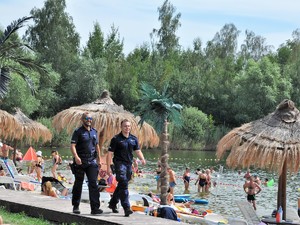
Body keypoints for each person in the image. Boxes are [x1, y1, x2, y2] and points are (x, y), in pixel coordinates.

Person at [107, 119, 146, 217]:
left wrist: (142, 159)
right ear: (121, 127)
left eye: (128, 126)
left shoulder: (133, 139)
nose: (127, 128)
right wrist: (108, 167)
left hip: (129, 164)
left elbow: (137, 150)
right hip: (119, 164)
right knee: (124, 183)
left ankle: (112, 203)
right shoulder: (116, 139)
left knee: (122, 184)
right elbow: (109, 154)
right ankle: (126, 208)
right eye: (125, 126)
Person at [70, 112, 103, 215]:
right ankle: (76, 206)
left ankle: (95, 208)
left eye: (90, 118)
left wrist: (99, 158)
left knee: (93, 183)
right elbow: (73, 145)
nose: (89, 120)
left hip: (92, 161)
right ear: (82, 120)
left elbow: (97, 145)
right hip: (80, 161)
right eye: (87, 118)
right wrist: (76, 157)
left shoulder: (94, 132)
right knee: (78, 183)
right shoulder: (78, 132)